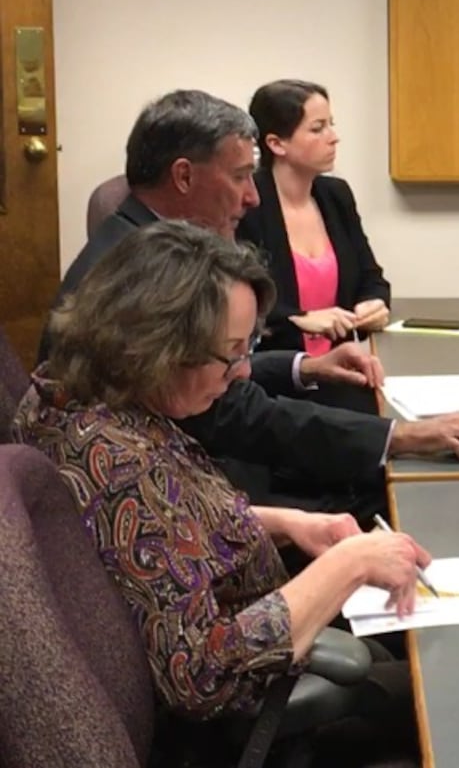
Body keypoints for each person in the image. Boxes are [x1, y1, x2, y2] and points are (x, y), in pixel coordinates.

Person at [14, 222, 426, 764]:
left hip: (267, 653)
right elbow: (202, 675)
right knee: (449, 691)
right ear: (160, 345)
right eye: (230, 353)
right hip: (251, 725)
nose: (240, 372)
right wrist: (348, 565)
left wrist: (283, 522)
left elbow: (161, 531)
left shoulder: (79, 396)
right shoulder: (117, 463)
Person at [46, 89, 459, 518]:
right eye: (240, 176)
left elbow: (212, 375)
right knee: (408, 495)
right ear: (184, 176)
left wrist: (304, 366)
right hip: (208, 492)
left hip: (205, 469)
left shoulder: (136, 244)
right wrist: (398, 437)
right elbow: (230, 412)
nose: (253, 196)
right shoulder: (149, 276)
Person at [239, 79, 391, 358]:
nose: (333, 137)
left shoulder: (335, 195)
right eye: (318, 128)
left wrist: (374, 303)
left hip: (340, 366)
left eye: (331, 124)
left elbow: (372, 278)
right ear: (276, 143)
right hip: (275, 373)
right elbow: (239, 303)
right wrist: (299, 318)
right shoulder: (247, 203)